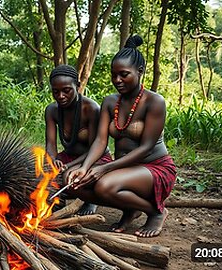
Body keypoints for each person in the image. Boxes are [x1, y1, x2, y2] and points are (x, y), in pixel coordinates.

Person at [67, 35, 176, 238]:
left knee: (104, 185)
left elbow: (146, 148)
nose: (117, 80)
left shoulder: (155, 102)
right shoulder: (110, 101)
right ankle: (130, 208)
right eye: (114, 75)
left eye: (124, 74)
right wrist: (83, 168)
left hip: (154, 168)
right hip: (124, 169)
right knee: (71, 180)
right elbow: (100, 141)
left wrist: (104, 168)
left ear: (140, 72)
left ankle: (156, 212)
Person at [45, 65, 112, 215]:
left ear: (78, 86)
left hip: (94, 158)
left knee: (71, 176)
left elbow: (95, 147)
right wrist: (52, 161)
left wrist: (69, 165)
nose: (61, 96)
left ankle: (90, 201)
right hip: (68, 157)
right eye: (55, 92)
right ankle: (58, 203)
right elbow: (50, 144)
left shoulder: (91, 109)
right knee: (43, 175)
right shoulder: (52, 110)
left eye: (66, 90)